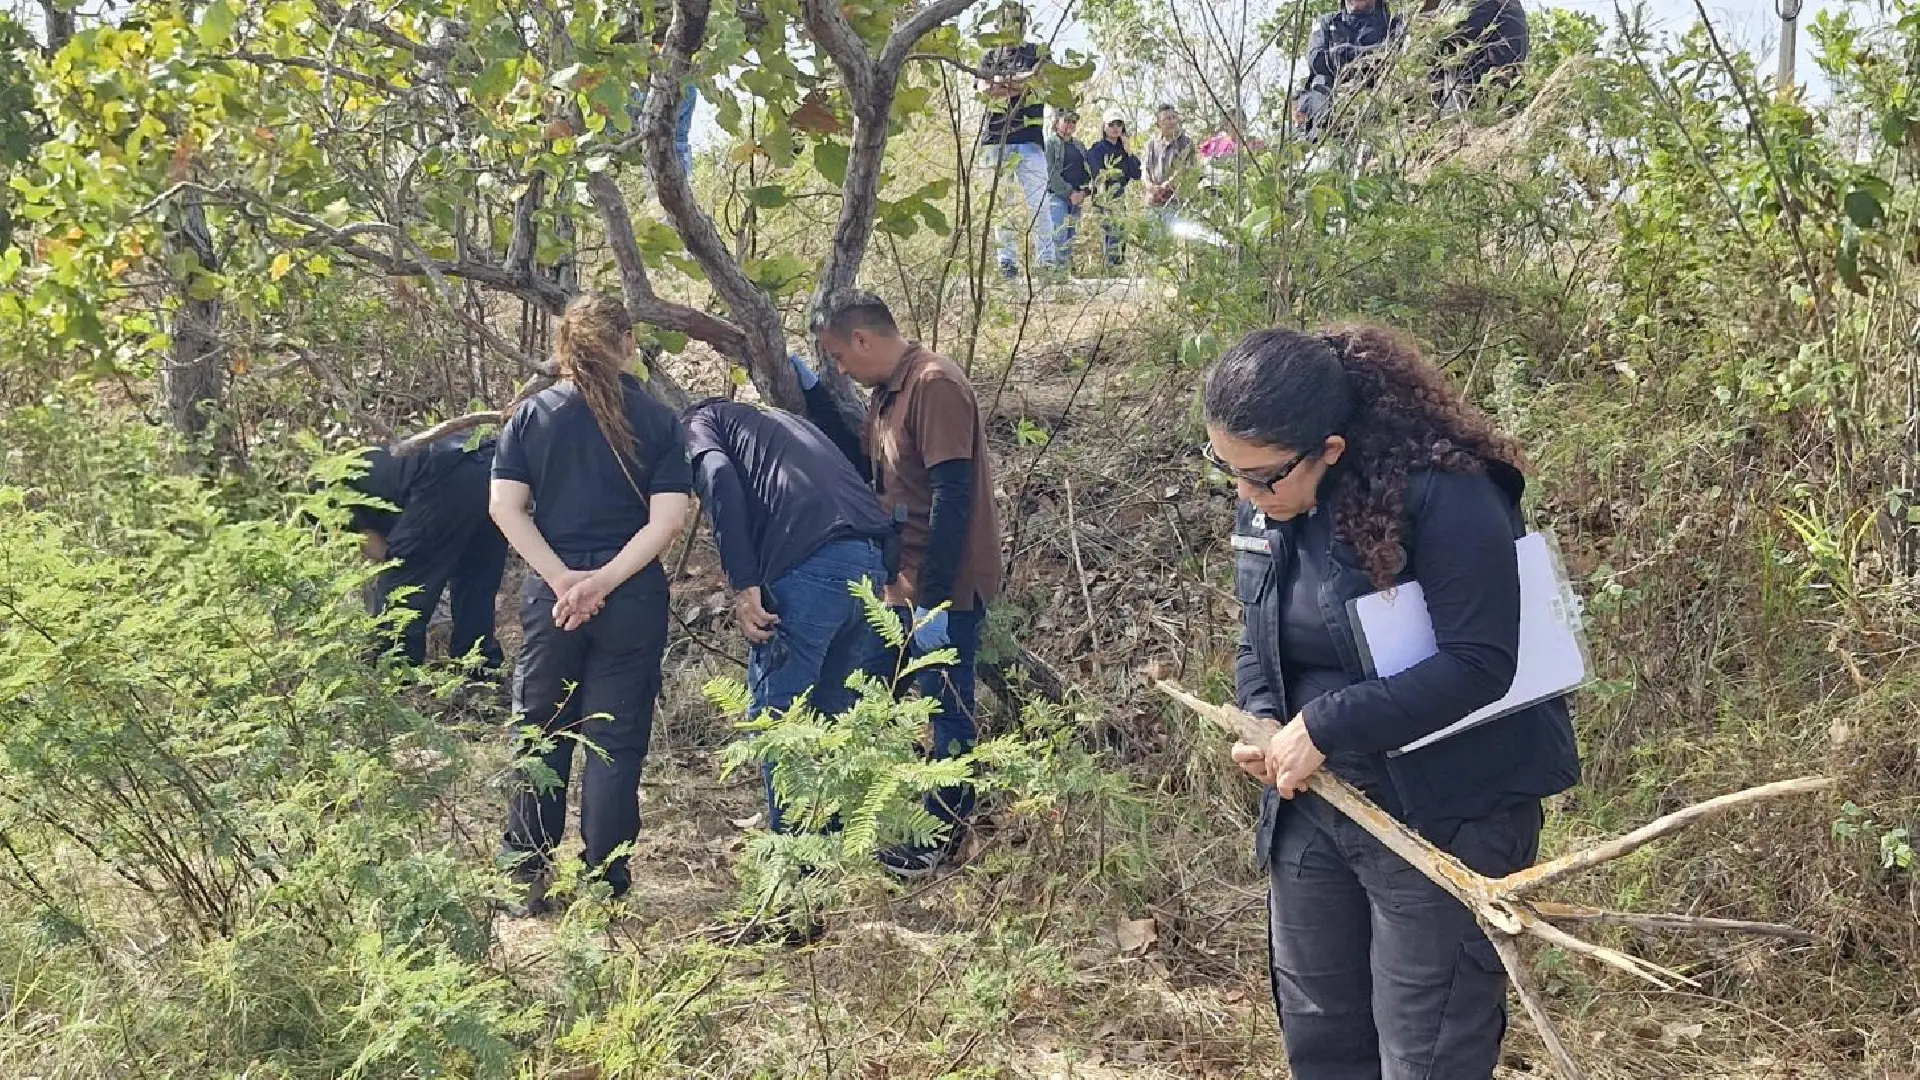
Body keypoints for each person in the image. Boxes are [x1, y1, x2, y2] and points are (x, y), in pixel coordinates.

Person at [1203, 325, 1579, 1079]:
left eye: (1262, 477)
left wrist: (1327, 723)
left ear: (1330, 449)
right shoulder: (1271, 501)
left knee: (1428, 1048)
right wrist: (1266, 719)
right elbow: (1260, 639)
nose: (1246, 495)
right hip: (1315, 805)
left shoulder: (1451, 491)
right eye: (1227, 471)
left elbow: (1480, 663)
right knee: (1322, 1037)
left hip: (1446, 814)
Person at [489, 293, 692, 914]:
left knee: (540, 730)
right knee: (615, 737)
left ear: (564, 349)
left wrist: (562, 580)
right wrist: (603, 582)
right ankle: (605, 879)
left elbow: (504, 507)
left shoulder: (531, 417)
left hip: (551, 602)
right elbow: (669, 520)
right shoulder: (658, 422)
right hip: (630, 598)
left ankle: (526, 871)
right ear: (627, 342)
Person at [790, 290, 1003, 878]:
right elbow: (868, 472)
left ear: (862, 340)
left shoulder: (935, 384)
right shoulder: (889, 393)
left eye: (836, 357)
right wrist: (809, 393)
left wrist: (931, 601)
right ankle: (865, 823)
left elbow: (953, 497)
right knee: (870, 696)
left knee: (946, 706)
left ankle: (942, 841)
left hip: (944, 586)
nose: (839, 369)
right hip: (901, 582)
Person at [681, 396, 897, 834]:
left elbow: (719, 476)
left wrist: (743, 584)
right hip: (872, 560)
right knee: (836, 716)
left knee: (778, 719)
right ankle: (834, 853)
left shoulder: (696, 423)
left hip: (812, 565)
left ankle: (794, 864)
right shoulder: (779, 423)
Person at [344, 435, 506, 671]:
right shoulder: (367, 463)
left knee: (402, 588)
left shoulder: (328, 494)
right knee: (476, 583)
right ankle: (478, 671)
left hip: (442, 477)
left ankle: (395, 677)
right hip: (491, 469)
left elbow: (382, 553)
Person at [977, 3, 1052, 278]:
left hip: (1030, 140)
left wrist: (1004, 83)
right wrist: (1023, 81)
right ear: (998, 25)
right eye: (1008, 20)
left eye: (1019, 20)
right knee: (1001, 206)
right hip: (995, 140)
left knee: (1040, 204)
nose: (1014, 25)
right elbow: (985, 91)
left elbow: (1042, 83)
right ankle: (1006, 262)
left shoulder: (1038, 53)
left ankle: (1047, 263)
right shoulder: (989, 56)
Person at [1292, 0, 1404, 134]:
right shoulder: (1328, 22)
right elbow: (1316, 60)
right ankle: (1323, 135)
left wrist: (1344, 54)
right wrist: (1361, 55)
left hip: (1378, 89)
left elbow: (1395, 51)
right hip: (1332, 94)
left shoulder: (1392, 23)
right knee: (1320, 83)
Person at [1429, 0, 1529, 112]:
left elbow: (1445, 40)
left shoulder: (1483, 6)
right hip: (1501, 96)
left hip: (1474, 96)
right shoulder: (1513, 10)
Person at [1083, 110, 1141, 267]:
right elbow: (1098, 174)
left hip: (1120, 194)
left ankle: (1116, 265)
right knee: (1113, 229)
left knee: (1121, 230)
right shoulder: (1096, 149)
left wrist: (1129, 151)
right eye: (1111, 124)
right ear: (1104, 127)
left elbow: (1136, 173)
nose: (1115, 128)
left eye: (1119, 124)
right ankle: (1112, 264)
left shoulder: (1124, 149)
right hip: (1104, 194)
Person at [1044, 109, 1091, 273]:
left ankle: (1067, 271)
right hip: (1058, 196)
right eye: (1067, 120)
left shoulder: (1079, 146)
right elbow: (1051, 172)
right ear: (1057, 122)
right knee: (1059, 233)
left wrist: (1084, 192)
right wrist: (1069, 192)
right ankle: (1057, 272)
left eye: (1074, 122)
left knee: (1071, 236)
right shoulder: (1051, 143)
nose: (1070, 124)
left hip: (1077, 198)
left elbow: (1087, 171)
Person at [1141, 104, 1194, 227]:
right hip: (1153, 201)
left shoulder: (1186, 142)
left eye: (1174, 118)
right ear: (1159, 123)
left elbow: (1185, 168)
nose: (1171, 122)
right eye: (1167, 118)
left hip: (1175, 201)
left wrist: (1167, 185)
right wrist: (1149, 186)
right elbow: (1144, 168)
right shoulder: (1151, 144)